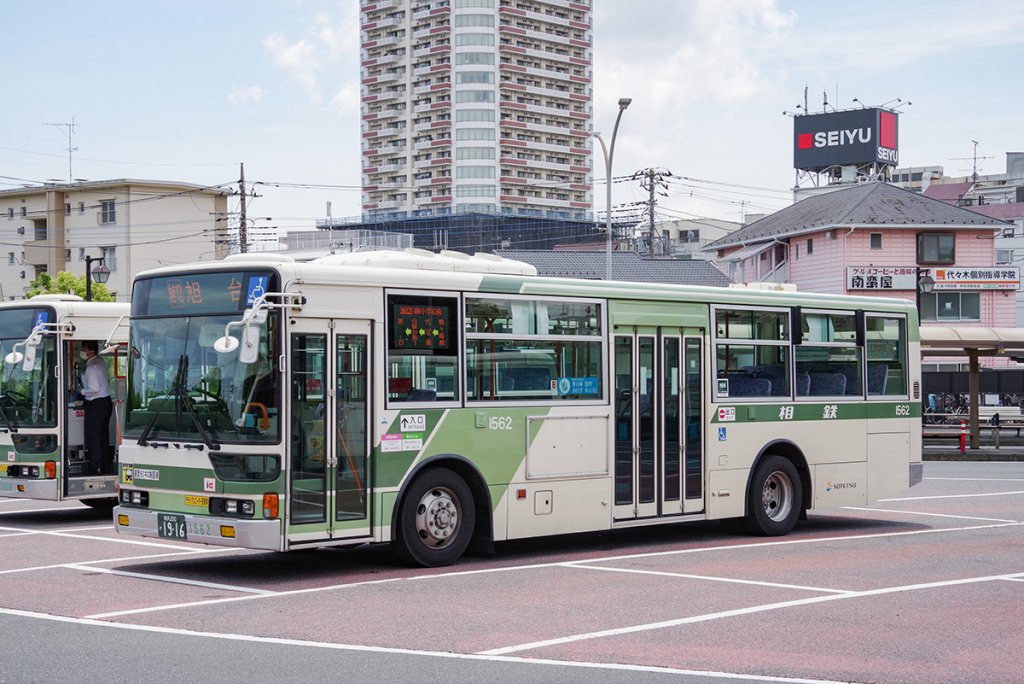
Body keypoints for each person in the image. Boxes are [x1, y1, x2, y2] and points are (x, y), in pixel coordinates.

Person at [80, 340, 113, 475]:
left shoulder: (91, 368)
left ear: (90, 351)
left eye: (83, 349)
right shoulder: (100, 362)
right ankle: (104, 465)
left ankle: (96, 466)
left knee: (93, 435)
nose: (81, 352)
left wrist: (81, 392)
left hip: (96, 403)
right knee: (103, 435)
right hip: (106, 402)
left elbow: (93, 388)